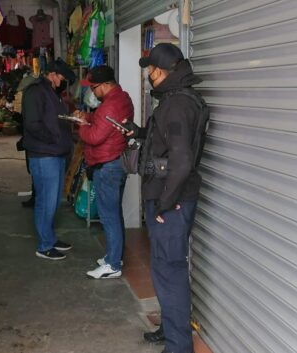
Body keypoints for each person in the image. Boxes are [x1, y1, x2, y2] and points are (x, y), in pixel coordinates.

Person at [121, 43, 206, 353]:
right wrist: (140, 133)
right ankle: (170, 330)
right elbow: (168, 144)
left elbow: (182, 161)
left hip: (172, 201)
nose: (148, 75)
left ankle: (178, 346)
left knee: (170, 272)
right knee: (163, 268)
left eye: (150, 70)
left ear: (162, 71)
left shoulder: (178, 105)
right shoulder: (173, 100)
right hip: (169, 198)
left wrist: (166, 204)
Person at [73, 65, 134, 279]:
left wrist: (82, 125)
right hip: (115, 163)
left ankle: (113, 264)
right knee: (114, 213)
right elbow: (104, 124)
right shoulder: (119, 99)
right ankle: (114, 254)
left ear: (106, 85)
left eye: (94, 87)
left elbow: (94, 137)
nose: (92, 91)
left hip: (107, 165)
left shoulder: (111, 105)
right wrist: (88, 118)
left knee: (109, 216)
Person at [22, 59, 75, 260]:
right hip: (44, 155)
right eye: (61, 78)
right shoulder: (35, 91)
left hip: (56, 153)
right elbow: (33, 124)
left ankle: (50, 238)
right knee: (46, 201)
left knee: (53, 202)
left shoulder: (52, 93)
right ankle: (44, 246)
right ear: (52, 74)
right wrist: (54, 138)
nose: (62, 82)